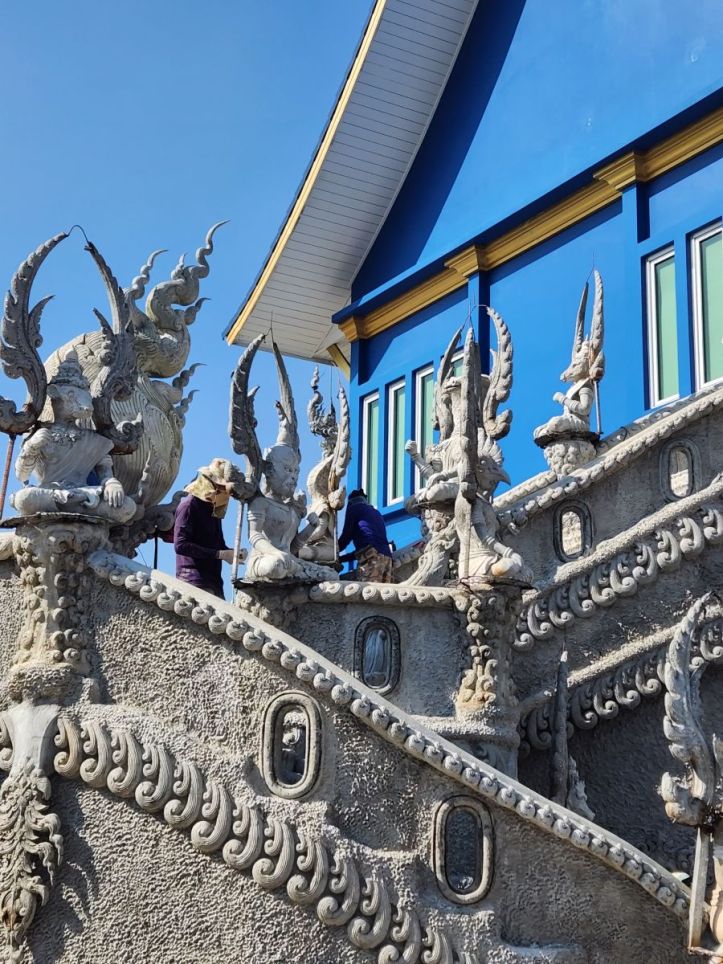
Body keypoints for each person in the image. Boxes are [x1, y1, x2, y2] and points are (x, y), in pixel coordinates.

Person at [173, 458, 242, 599]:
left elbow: (217, 544)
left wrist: (231, 554)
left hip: (214, 582)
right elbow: (180, 545)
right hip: (193, 580)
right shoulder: (188, 506)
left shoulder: (214, 508)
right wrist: (220, 554)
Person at [338, 489, 394, 583]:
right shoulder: (376, 512)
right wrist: (342, 559)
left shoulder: (354, 509)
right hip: (387, 558)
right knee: (382, 591)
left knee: (367, 589)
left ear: (350, 502)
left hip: (372, 558)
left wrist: (334, 551)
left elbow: (347, 535)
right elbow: (368, 548)